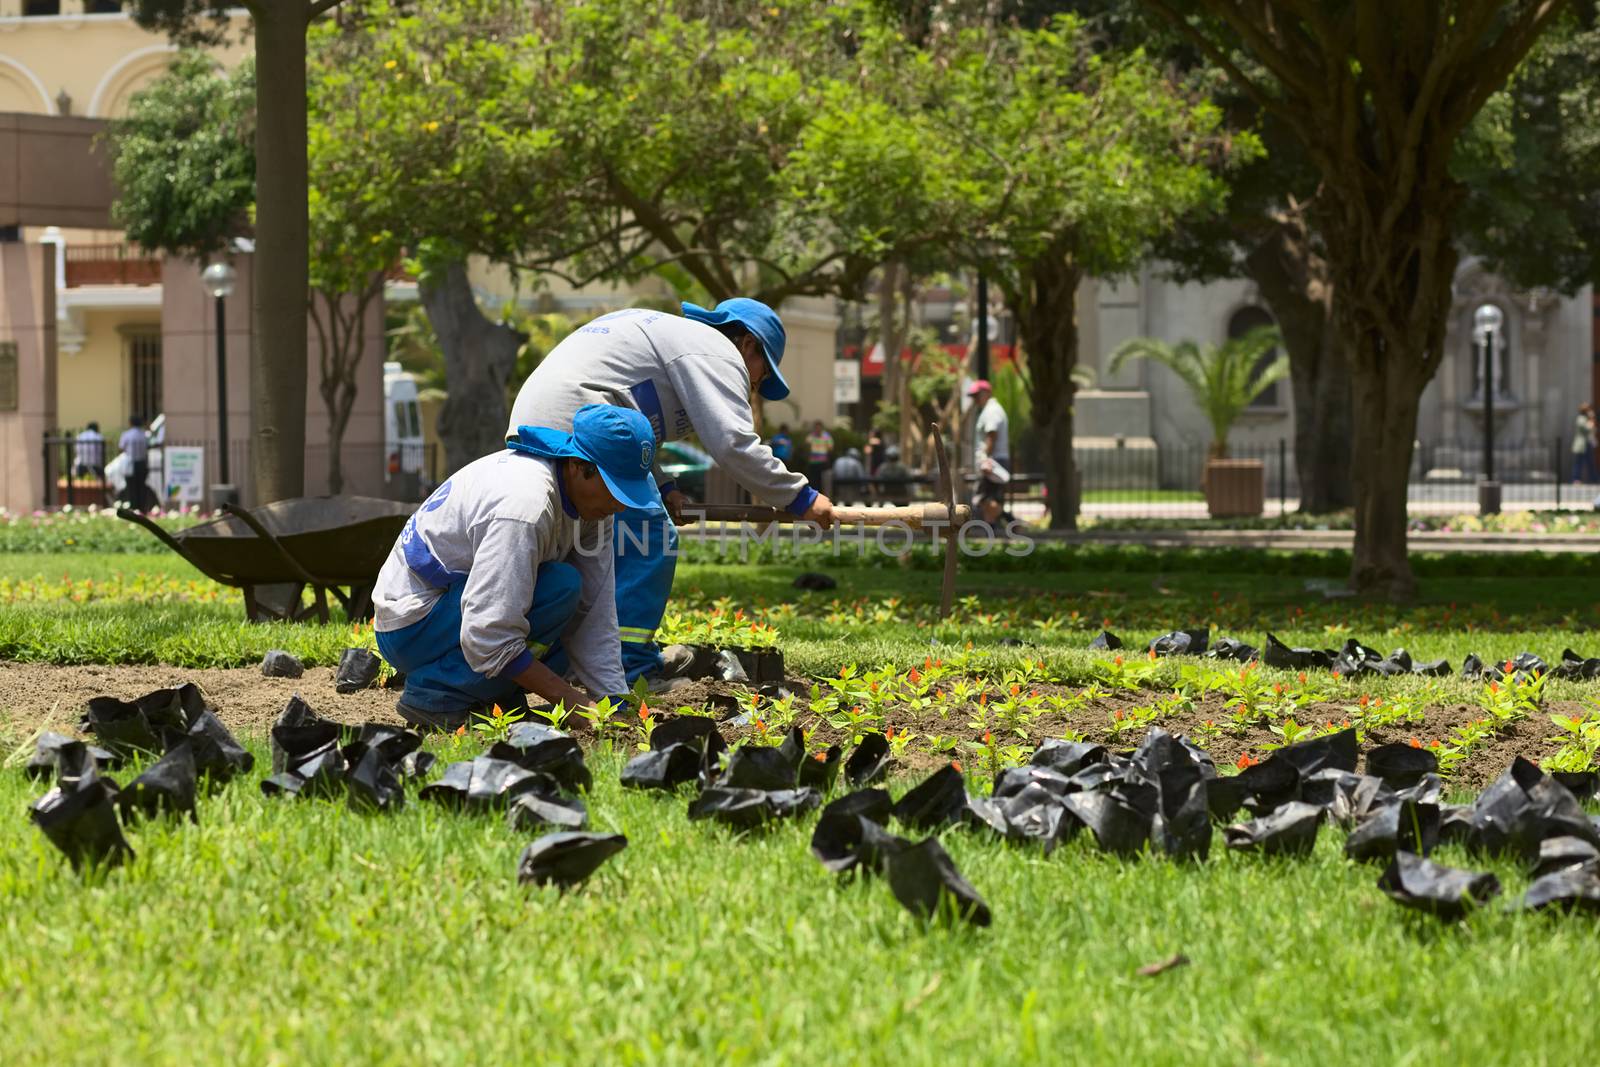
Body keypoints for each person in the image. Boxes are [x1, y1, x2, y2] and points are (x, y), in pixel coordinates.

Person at [506, 300, 836, 683]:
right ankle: (629, 666)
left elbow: (635, 429)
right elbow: (732, 443)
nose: (754, 388)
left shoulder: (680, 341)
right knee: (651, 540)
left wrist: (662, 485)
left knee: (587, 553)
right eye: (761, 377)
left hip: (549, 421)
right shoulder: (716, 352)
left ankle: (577, 663)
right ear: (748, 344)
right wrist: (802, 498)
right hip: (580, 421)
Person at [374, 404, 657, 731]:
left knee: (570, 611)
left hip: (453, 610)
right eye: (614, 488)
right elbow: (489, 630)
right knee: (560, 588)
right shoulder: (526, 506)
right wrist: (566, 698)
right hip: (413, 623)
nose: (620, 505)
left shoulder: (595, 509)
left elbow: (595, 611)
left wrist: (614, 702)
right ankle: (438, 693)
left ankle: (490, 692)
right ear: (580, 466)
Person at [968, 379, 1011, 526]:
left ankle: (1013, 522)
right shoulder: (989, 410)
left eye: (977, 395)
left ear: (986, 393)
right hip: (993, 460)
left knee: (983, 498)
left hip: (993, 461)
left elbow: (992, 435)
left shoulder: (992, 410)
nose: (975, 399)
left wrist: (985, 459)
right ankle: (992, 531)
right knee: (988, 499)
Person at [117, 416, 150, 512]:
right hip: (142, 463)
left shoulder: (126, 434)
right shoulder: (144, 434)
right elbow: (148, 447)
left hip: (130, 464)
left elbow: (121, 448)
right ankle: (142, 508)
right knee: (141, 486)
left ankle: (133, 507)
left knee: (131, 487)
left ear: (130, 423)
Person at [804, 419, 834, 486]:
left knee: (822, 482)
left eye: (819, 427)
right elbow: (806, 445)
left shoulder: (826, 436)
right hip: (813, 462)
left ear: (821, 427)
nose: (818, 429)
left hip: (823, 462)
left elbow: (830, 448)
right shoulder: (811, 436)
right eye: (816, 427)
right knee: (814, 481)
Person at [1573, 404, 1597, 484]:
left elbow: (1593, 430)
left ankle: (1593, 478)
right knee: (1579, 462)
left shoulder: (1585, 419)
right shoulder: (1581, 419)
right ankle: (1576, 479)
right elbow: (1588, 428)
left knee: (1590, 462)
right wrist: (1591, 418)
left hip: (1587, 443)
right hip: (1582, 445)